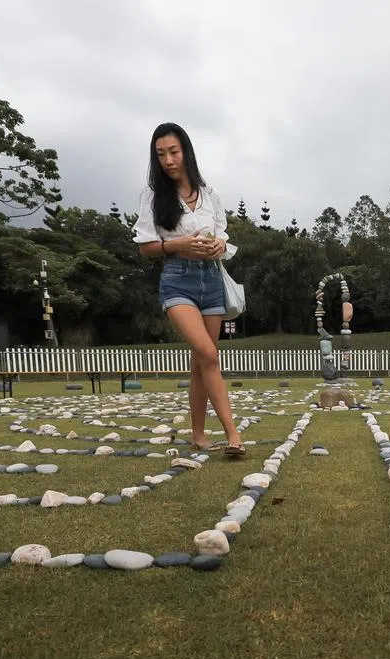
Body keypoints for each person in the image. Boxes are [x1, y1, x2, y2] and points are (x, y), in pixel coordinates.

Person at [132, 122, 245, 457]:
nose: (168, 160)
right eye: (161, 154)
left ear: (186, 152)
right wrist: (178, 244)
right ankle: (232, 434)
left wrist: (218, 246)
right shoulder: (153, 198)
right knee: (210, 355)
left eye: (174, 152)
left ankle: (198, 434)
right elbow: (146, 247)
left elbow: (223, 235)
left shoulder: (209, 195)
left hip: (210, 280)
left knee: (200, 364)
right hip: (177, 280)